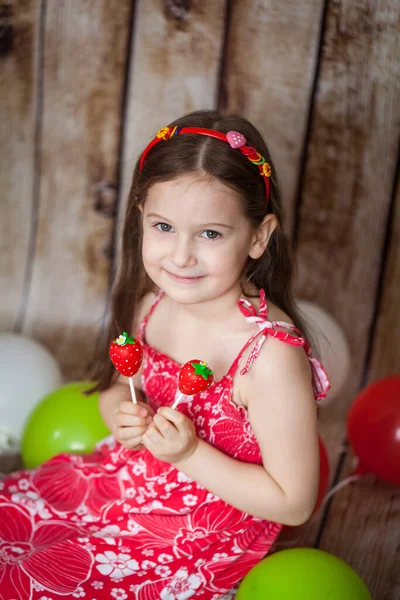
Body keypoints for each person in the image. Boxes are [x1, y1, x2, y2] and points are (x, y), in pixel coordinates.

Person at [0, 110, 329, 600]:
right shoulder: (153, 306)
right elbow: (117, 391)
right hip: (120, 484)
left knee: (27, 579)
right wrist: (123, 419)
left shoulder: (269, 355)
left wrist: (190, 452)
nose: (180, 256)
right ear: (140, 219)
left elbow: (294, 501)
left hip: (193, 534)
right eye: (164, 227)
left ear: (258, 236)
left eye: (211, 234)